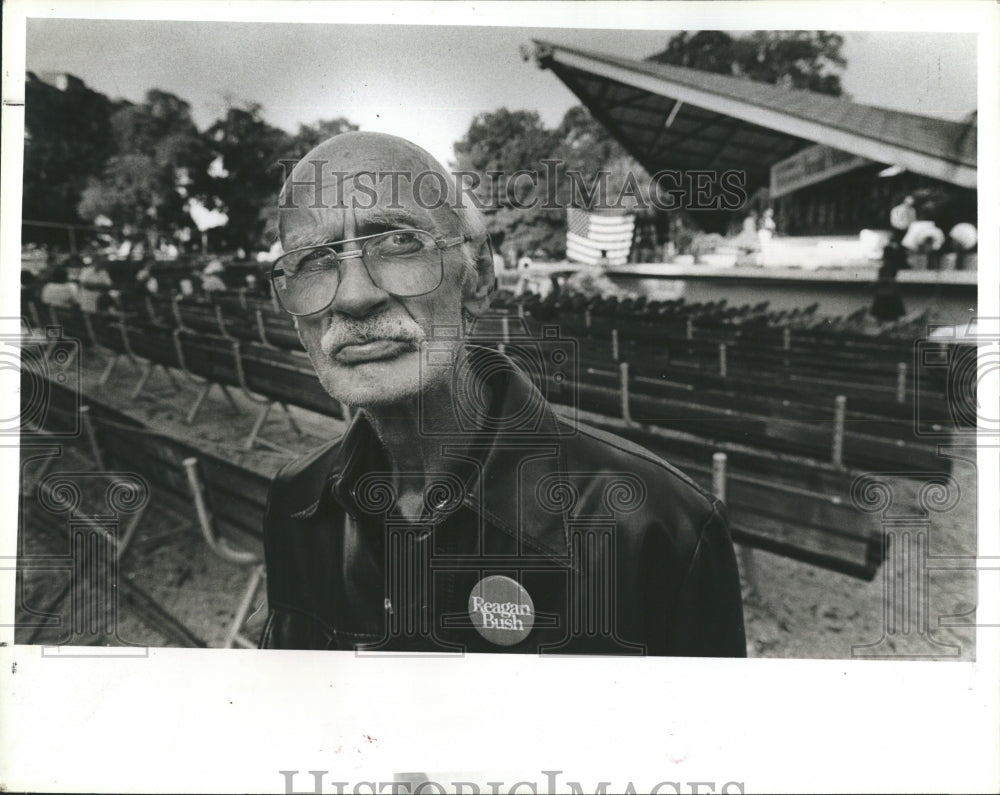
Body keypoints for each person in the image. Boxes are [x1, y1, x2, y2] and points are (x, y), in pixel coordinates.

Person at [259, 131, 746, 656]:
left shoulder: (659, 529)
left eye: (399, 242)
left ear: (479, 278)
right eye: (312, 260)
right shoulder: (296, 499)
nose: (353, 296)